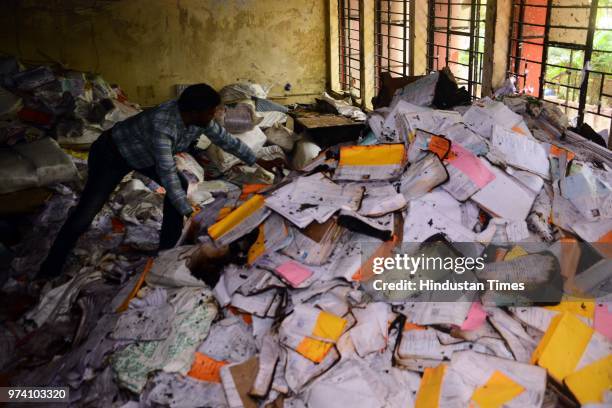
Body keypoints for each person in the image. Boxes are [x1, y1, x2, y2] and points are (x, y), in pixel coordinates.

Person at [38, 83, 269, 279]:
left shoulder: (200, 120)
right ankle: (49, 268)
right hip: (112, 154)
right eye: (211, 111)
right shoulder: (163, 125)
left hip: (142, 155)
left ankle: (166, 252)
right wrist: (189, 212)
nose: (214, 115)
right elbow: (167, 170)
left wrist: (254, 160)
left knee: (178, 187)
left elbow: (225, 139)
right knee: (86, 213)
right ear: (196, 111)